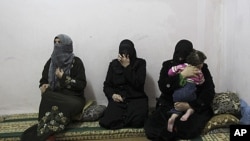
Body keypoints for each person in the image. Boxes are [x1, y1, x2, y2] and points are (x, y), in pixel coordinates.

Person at [144, 39, 215, 141]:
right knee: (151, 128)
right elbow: (164, 87)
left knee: (187, 129)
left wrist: (190, 105)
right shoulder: (168, 65)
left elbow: (209, 91)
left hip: (192, 106)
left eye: (184, 56)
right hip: (170, 104)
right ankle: (170, 131)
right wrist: (182, 75)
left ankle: (171, 132)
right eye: (178, 55)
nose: (181, 58)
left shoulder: (200, 67)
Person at [21, 34, 87, 141]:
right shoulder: (51, 62)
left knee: (67, 104)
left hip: (74, 98)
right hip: (56, 96)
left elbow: (81, 84)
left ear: (67, 45)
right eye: (55, 42)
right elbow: (43, 80)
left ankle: (46, 131)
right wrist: (43, 85)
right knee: (47, 95)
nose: (56, 45)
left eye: (59, 42)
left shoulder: (76, 62)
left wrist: (64, 78)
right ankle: (47, 132)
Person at [99, 39, 149, 129]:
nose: (125, 54)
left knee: (139, 122)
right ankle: (125, 120)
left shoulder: (140, 63)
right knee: (106, 122)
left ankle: (124, 120)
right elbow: (107, 85)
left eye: (128, 51)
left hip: (136, 99)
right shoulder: (113, 64)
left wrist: (127, 67)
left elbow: (139, 84)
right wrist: (113, 95)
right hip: (120, 100)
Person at [167, 49, 207, 132]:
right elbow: (201, 82)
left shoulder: (182, 66)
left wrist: (180, 74)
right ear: (199, 64)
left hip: (177, 94)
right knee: (194, 104)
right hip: (189, 92)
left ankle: (173, 117)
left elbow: (170, 72)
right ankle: (188, 112)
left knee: (177, 107)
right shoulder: (198, 71)